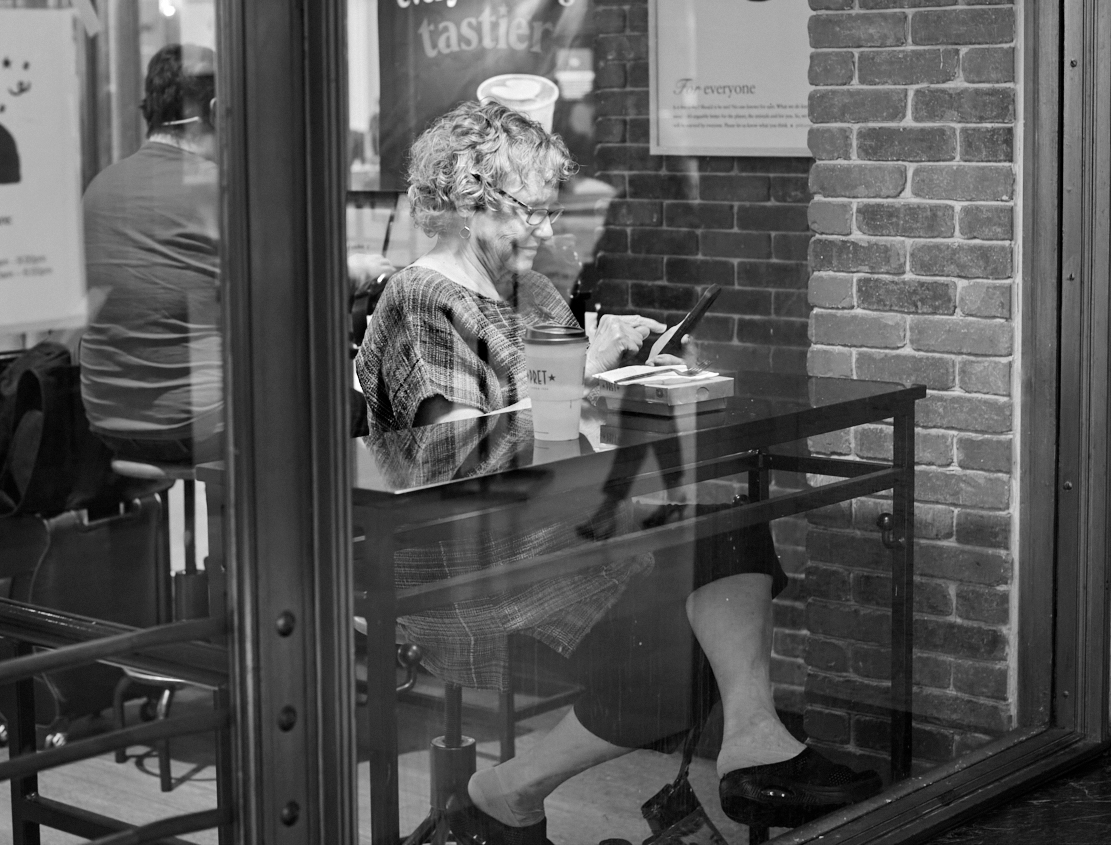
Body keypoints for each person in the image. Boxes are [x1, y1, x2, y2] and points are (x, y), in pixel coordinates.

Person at [355, 100, 881, 841]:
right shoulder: (420, 298)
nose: (546, 229)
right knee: (686, 637)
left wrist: (623, 377)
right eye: (531, 211)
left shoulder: (532, 292)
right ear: (470, 202)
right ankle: (505, 792)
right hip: (473, 565)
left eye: (549, 211)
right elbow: (460, 461)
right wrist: (583, 367)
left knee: (728, 527)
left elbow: (562, 426)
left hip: (559, 527)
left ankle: (753, 747)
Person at [80, 43, 393, 465]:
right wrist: (353, 272)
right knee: (382, 409)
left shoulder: (101, 186)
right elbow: (296, 291)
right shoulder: (223, 191)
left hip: (108, 422)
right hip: (206, 423)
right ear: (214, 109)